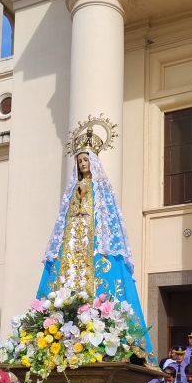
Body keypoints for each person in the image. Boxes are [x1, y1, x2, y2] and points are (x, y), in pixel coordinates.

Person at [36, 148, 152, 354]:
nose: (82, 164)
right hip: (73, 244)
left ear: (93, 163)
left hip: (94, 241)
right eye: (79, 161)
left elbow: (106, 216)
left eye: (85, 160)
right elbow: (65, 218)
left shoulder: (100, 188)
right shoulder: (73, 189)